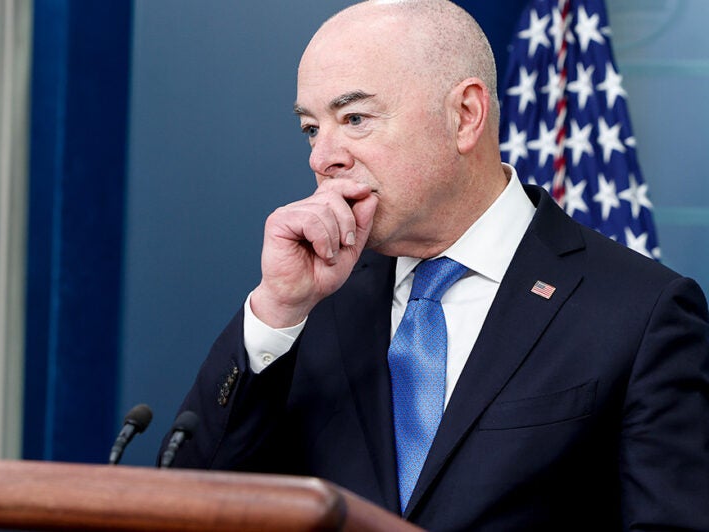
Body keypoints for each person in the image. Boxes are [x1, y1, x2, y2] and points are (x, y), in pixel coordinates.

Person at [161, 0, 709, 529]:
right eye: (311, 127)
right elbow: (187, 506)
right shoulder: (312, 305)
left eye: (354, 117)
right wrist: (277, 309)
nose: (321, 157)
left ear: (465, 115)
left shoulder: (640, 313)